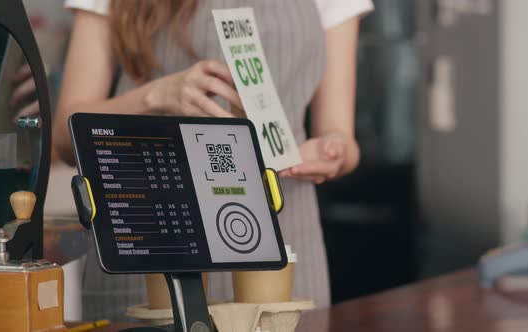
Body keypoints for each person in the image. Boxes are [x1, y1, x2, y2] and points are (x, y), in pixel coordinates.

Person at [55, 0, 373, 321]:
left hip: (283, 242)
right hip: (152, 239)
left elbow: (340, 132)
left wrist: (336, 151)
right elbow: (64, 137)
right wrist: (156, 96)